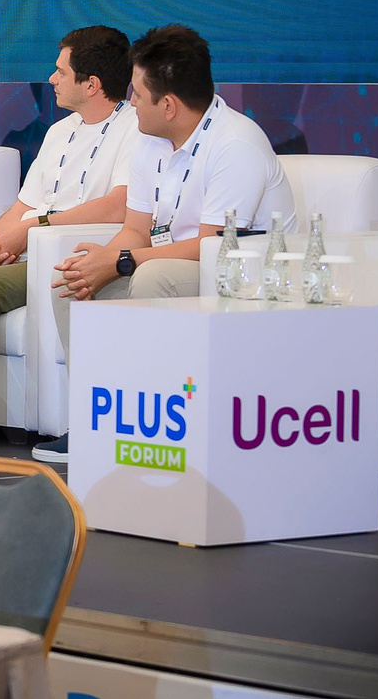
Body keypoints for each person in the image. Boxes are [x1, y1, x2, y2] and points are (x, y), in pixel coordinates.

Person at [32, 24, 294, 462]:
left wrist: (121, 262)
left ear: (168, 105)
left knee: (153, 277)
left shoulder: (236, 144)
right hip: (172, 264)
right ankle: (97, 421)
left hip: (243, 278)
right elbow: (136, 230)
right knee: (71, 281)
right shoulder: (149, 139)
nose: (130, 102)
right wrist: (103, 260)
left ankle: (157, 427)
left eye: (137, 94)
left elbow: (213, 246)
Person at [0, 27, 138, 438]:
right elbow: (22, 205)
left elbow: (118, 205)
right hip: (27, 246)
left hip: (69, 254)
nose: (52, 79)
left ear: (92, 84)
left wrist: (35, 228)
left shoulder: (135, 129)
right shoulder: (60, 131)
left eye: (61, 71)